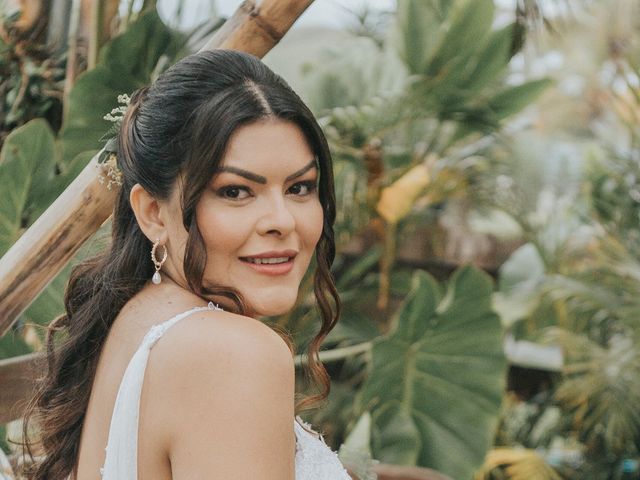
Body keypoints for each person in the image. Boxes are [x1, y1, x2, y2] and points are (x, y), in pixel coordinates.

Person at [21, 49, 352, 480]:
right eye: (235, 191)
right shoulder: (234, 353)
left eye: (300, 187)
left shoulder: (140, 313)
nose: (283, 221)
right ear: (153, 213)